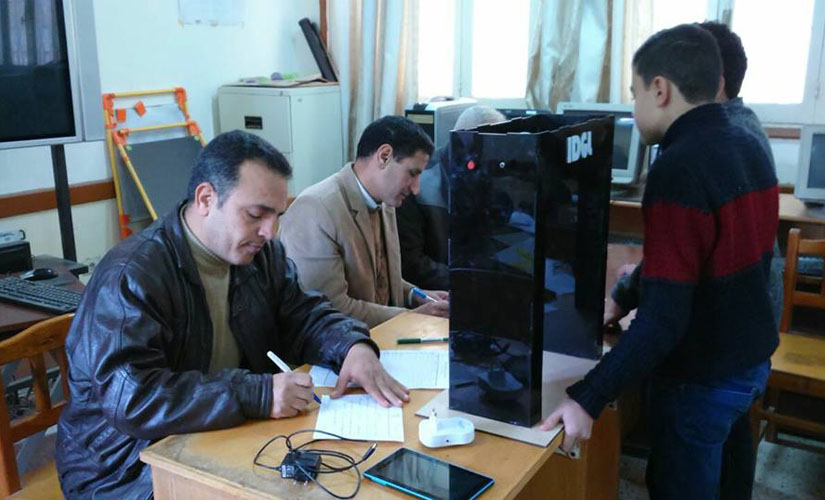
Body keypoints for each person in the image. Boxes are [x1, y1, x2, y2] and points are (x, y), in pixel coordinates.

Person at [56, 131, 409, 499]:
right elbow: (133, 398)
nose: (270, 231)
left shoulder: (261, 255)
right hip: (124, 468)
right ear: (206, 199)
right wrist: (257, 394)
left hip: (216, 431)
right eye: (256, 214)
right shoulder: (133, 275)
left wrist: (352, 347)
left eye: (277, 215)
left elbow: (304, 313)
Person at [541, 24, 779, 499]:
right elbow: (702, 259)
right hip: (750, 362)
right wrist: (624, 294)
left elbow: (664, 319)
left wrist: (588, 398)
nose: (632, 109)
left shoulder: (679, 166)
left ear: (660, 89)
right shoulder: (747, 138)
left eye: (634, 94)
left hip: (702, 378)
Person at [279, 116, 449, 327]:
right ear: (384, 156)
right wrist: (411, 317)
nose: (416, 189)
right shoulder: (315, 209)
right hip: (342, 343)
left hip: (380, 335)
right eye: (412, 174)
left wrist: (419, 296)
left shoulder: (385, 202)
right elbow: (329, 309)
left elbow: (382, 280)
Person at [396, 105, 506, 290]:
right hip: (438, 291)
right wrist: (470, 281)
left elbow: (484, 236)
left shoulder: (478, 171)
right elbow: (411, 265)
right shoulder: (418, 182)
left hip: (469, 279)